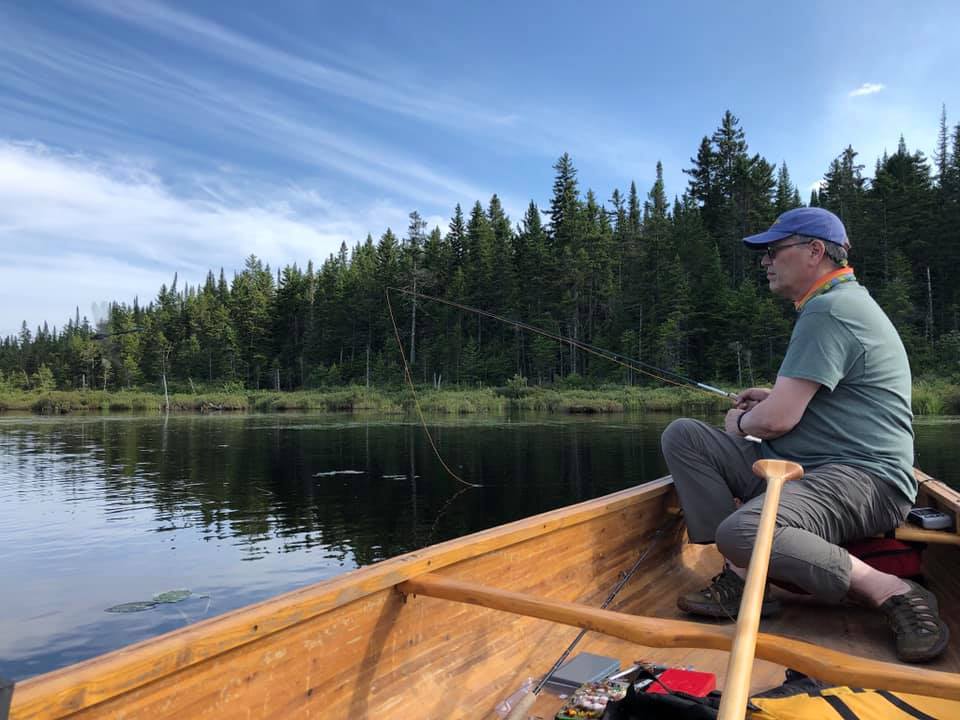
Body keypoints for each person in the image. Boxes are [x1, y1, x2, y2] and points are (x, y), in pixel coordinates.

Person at [660, 206, 949, 663]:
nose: (764, 261)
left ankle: (893, 590)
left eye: (774, 250)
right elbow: (802, 403)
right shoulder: (831, 304)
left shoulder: (830, 310)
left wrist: (740, 421)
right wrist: (772, 396)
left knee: (744, 529)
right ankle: (740, 573)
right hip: (807, 469)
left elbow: (775, 423)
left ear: (815, 252)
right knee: (685, 436)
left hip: (866, 480)